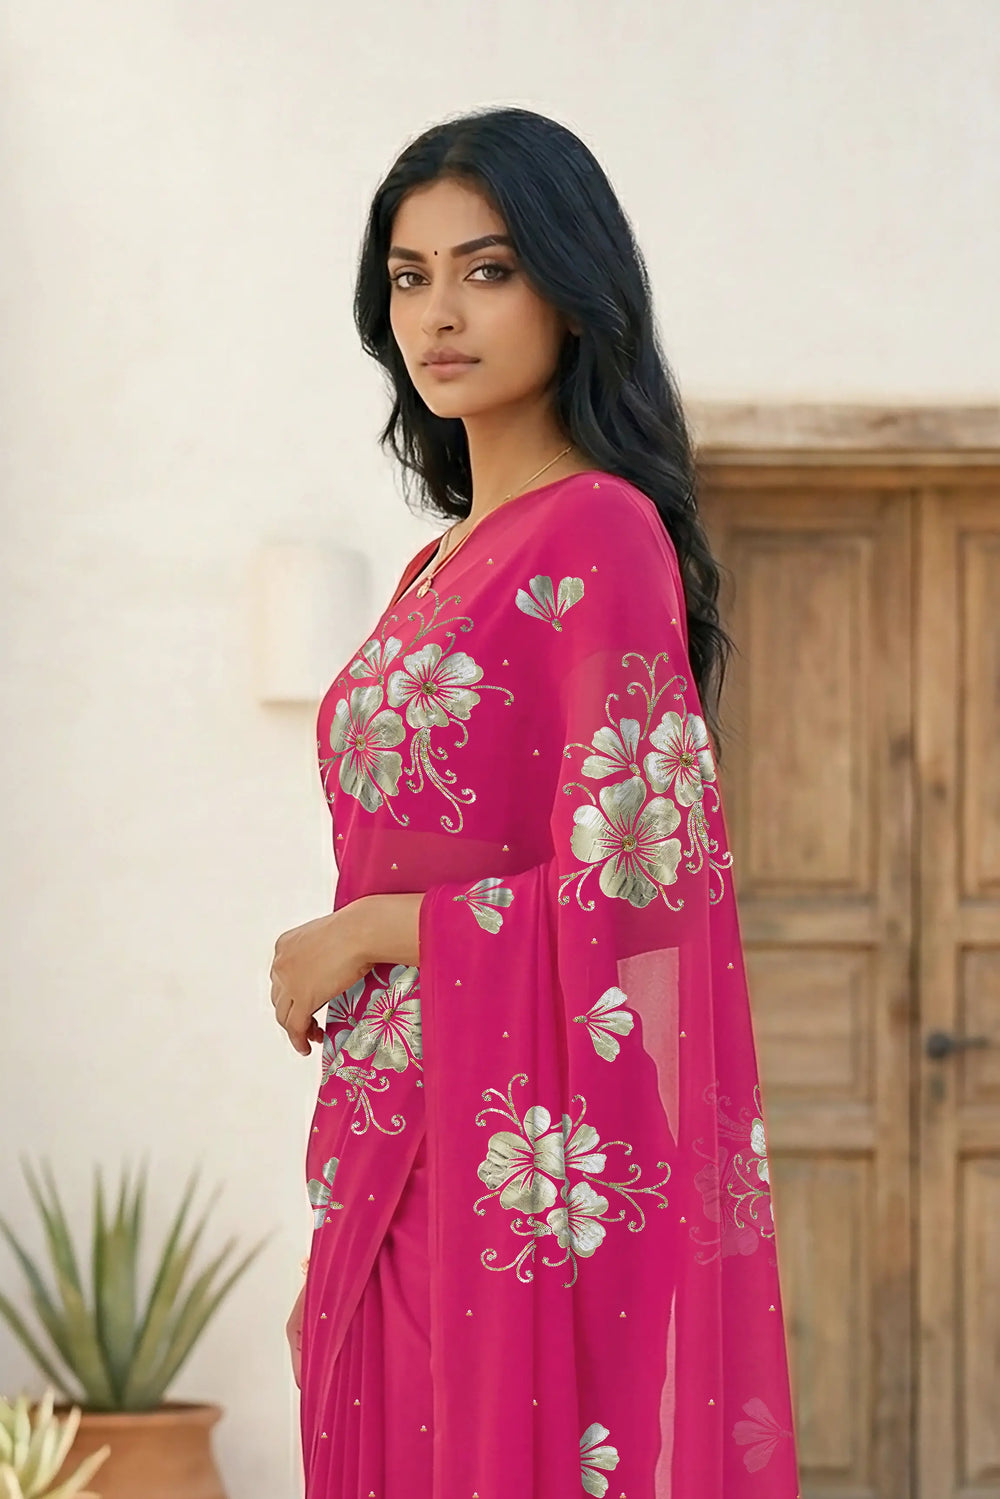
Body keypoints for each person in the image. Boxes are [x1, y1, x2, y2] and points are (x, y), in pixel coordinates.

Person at [270, 105, 801, 1499]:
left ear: (572, 292)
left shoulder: (599, 532)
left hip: (503, 1175)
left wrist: (369, 932)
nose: (440, 313)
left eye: (488, 270)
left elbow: (642, 899)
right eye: (411, 276)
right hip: (385, 1154)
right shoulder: (439, 561)